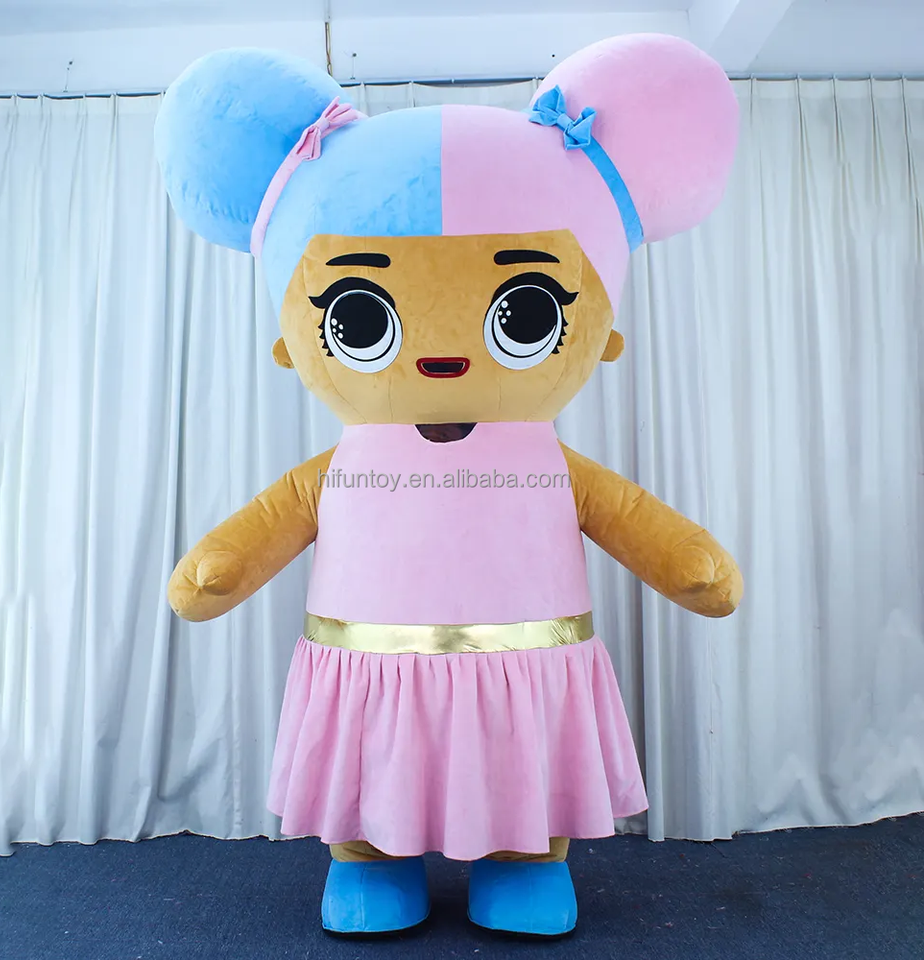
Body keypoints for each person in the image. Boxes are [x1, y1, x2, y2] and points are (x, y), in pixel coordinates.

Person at [156, 32, 742, 937]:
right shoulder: (342, 469)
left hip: (525, 655)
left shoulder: (549, 464)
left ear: (602, 330)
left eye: (527, 311)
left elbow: (632, 521)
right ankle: (373, 861)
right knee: (374, 770)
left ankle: (521, 861)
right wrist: (219, 569)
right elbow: (267, 527)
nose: (439, 353)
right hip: (370, 657)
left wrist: (688, 564)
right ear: (291, 340)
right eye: (359, 318)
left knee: (520, 773)